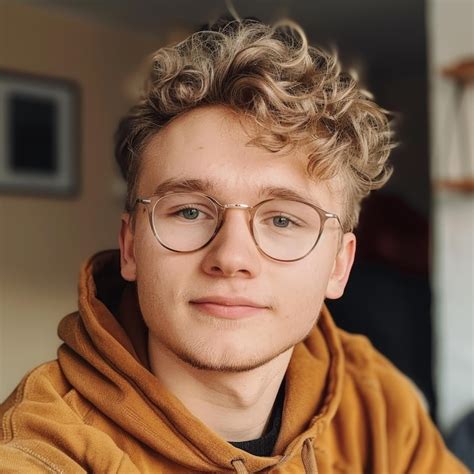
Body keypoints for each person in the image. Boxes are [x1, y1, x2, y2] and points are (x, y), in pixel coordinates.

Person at [0, 18, 467, 474]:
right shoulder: (43, 446)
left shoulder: (376, 402)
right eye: (189, 211)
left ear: (339, 267)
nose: (231, 258)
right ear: (131, 248)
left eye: (283, 219)